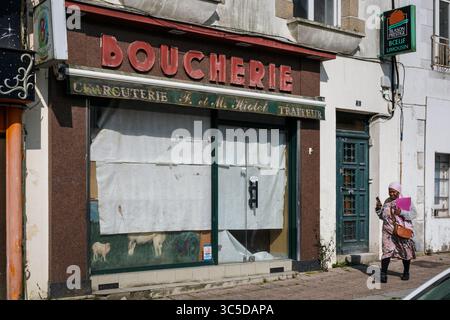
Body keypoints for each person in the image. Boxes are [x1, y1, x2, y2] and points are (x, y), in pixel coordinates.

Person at [375, 182, 416, 283]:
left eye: (394, 191)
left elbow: (413, 214)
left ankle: (406, 272)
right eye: (390, 191)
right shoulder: (387, 201)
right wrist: (378, 209)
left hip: (401, 231)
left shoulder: (402, 200)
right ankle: (383, 274)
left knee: (405, 252)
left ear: (398, 191)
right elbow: (383, 217)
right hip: (388, 232)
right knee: (386, 252)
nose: (391, 194)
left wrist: (401, 212)